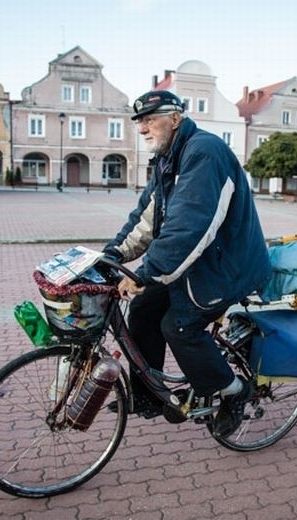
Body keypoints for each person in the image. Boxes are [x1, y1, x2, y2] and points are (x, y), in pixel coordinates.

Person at [103, 90, 271, 437]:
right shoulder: (167, 159)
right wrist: (113, 254)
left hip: (226, 267)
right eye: (140, 122)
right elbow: (147, 218)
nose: (143, 128)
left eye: (150, 120)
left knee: (179, 326)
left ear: (175, 118)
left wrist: (146, 273)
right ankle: (149, 393)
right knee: (144, 308)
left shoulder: (204, 152)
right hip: (196, 262)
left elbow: (190, 226)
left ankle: (234, 391)